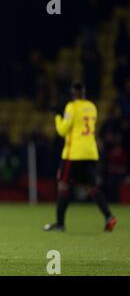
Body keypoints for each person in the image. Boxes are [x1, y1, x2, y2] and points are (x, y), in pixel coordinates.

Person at [44, 83, 117, 232]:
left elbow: (62, 130)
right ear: (84, 93)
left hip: (74, 153)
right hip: (91, 152)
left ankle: (60, 224)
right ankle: (109, 217)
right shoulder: (92, 107)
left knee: (63, 185)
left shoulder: (72, 107)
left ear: (73, 93)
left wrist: (58, 117)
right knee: (92, 187)